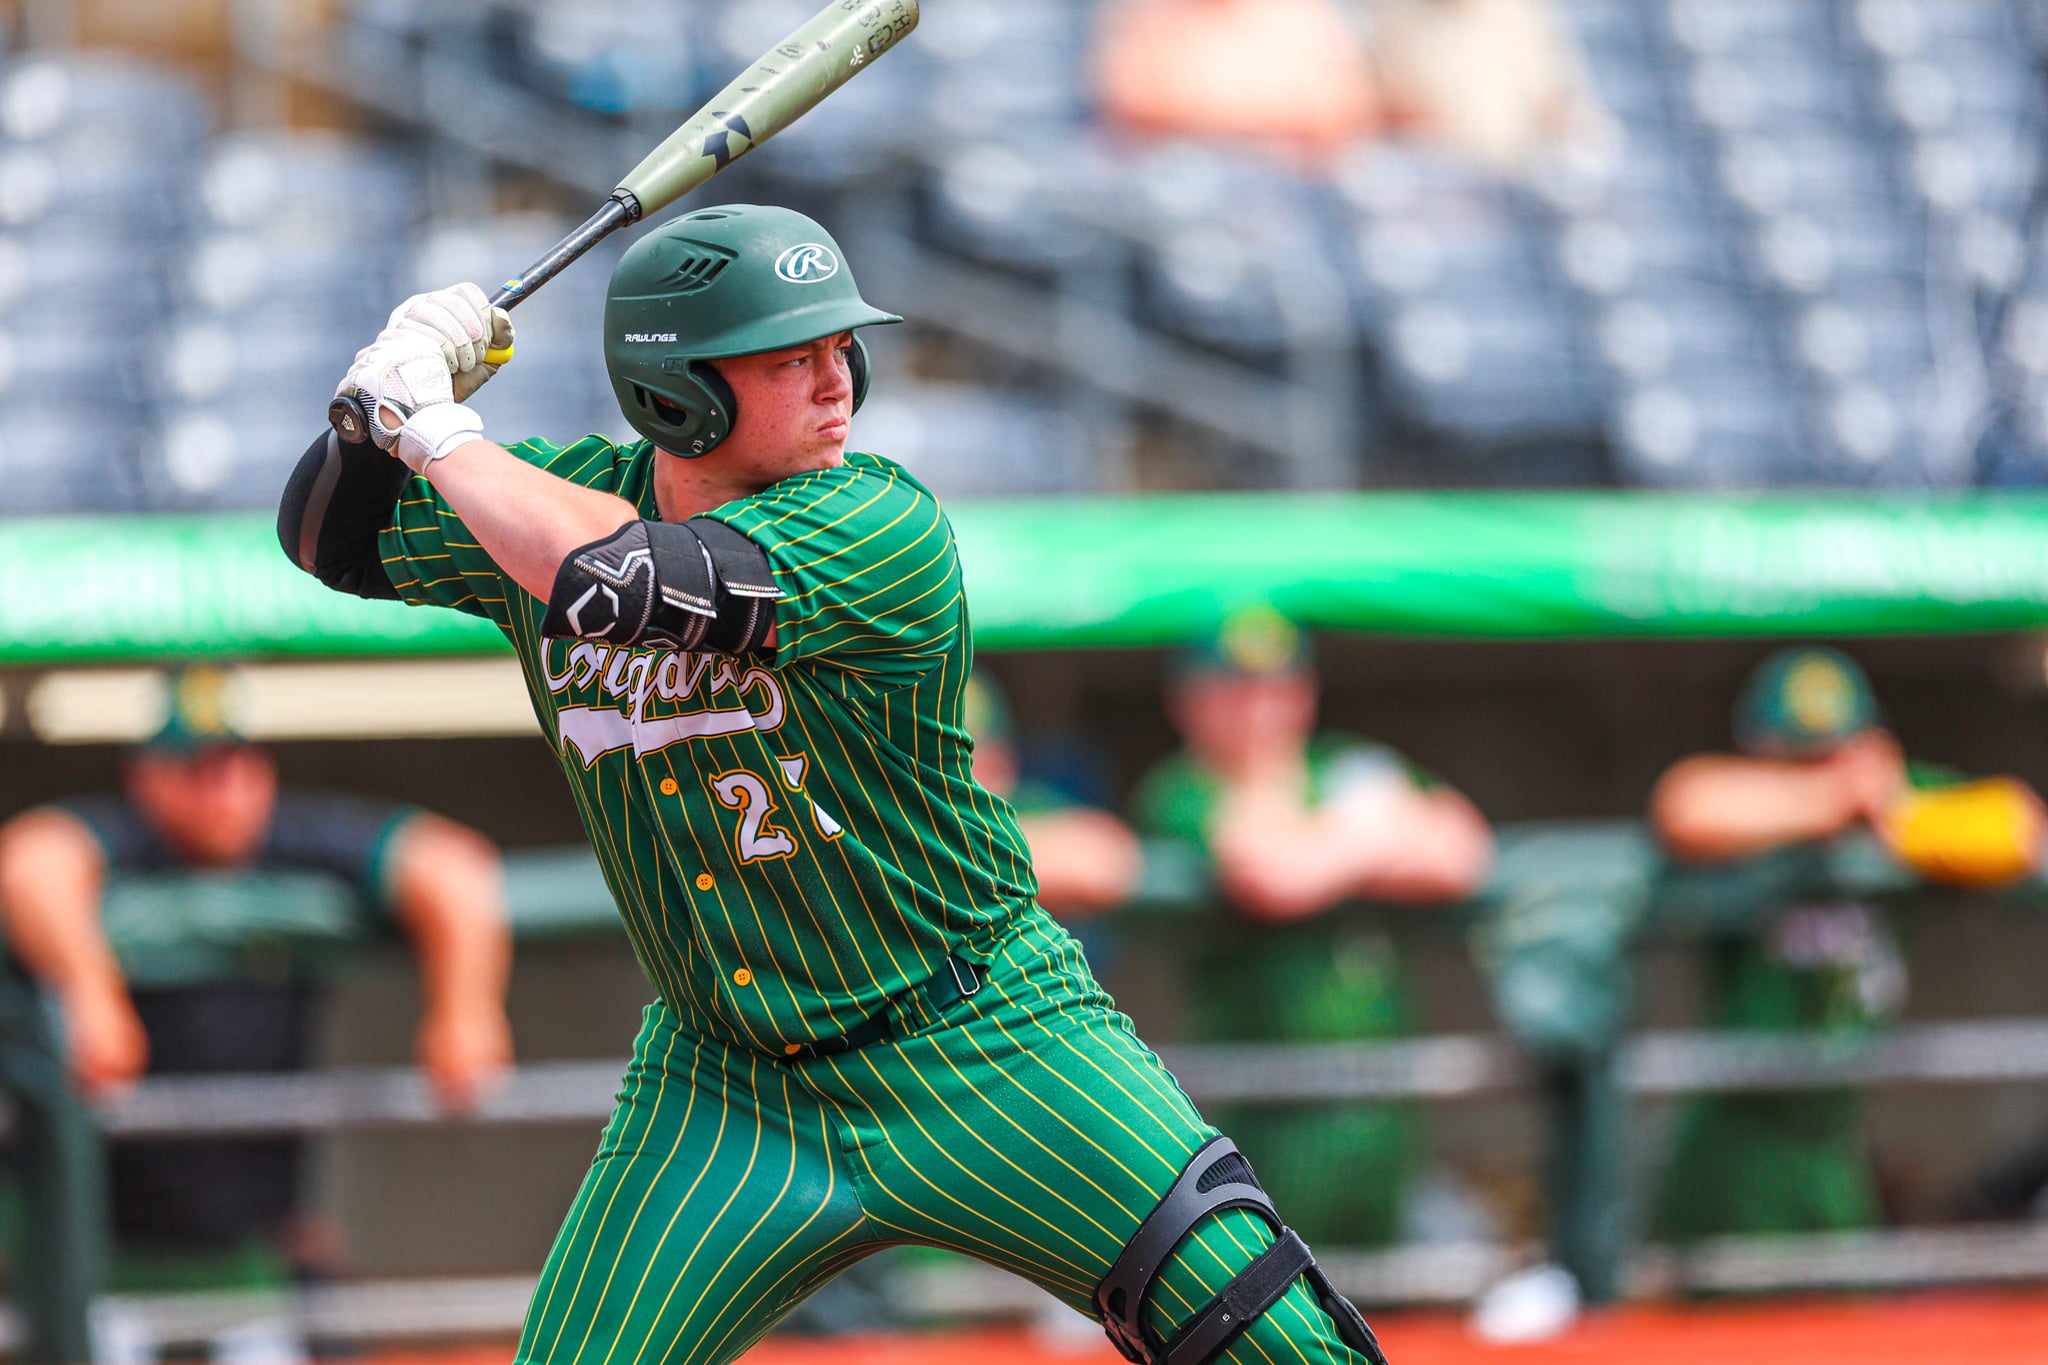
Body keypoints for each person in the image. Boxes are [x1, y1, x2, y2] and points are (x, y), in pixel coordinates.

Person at [275, 205, 1392, 1365]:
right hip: (724, 1081)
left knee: (1270, 1337)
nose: (833, 381)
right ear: (677, 394)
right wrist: (371, 416)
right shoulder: (548, 502)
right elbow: (324, 542)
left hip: (982, 1032)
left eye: (835, 348)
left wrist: (438, 432)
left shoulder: (878, 520)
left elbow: (618, 582)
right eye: (785, 359)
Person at [0, 665, 513, 1304]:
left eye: (236, 765)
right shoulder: (125, 838)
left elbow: (451, 866)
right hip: (112, 1252)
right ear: (145, 778)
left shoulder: (292, 837)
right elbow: (29, 862)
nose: (224, 791)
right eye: (195, 772)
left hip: (251, 1247)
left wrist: (465, 1011)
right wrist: (92, 997)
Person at [1649, 646, 2045, 1239]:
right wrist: (1832, 800)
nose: (1826, 769)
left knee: (1845, 1316)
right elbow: (1684, 805)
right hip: (1739, 1135)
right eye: (1802, 758)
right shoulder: (1752, 810)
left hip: (1834, 1140)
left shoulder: (1895, 802)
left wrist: (1896, 810)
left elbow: (2018, 828)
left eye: (1837, 752)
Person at [1130, 607, 1494, 1247]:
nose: (1261, 708)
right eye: (1235, 689)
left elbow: (1462, 848)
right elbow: (1269, 874)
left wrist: (1330, 848)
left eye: (1279, 685)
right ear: (1188, 701)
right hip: (1266, 1120)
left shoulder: (1344, 764)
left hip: (1385, 1112)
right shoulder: (1182, 789)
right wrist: (1374, 835)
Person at [1094, 0, 1379, 161]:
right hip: (1185, 174)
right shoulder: (1153, 14)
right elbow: (1135, 106)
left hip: (1286, 185)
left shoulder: (1298, 17)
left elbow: (1338, 117)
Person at [963, 670, 1142, 921]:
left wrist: (963, 861)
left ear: (1004, 762)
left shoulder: (1019, 808)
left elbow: (1104, 863)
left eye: (971, 758)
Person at [1370, 0, 1613, 174]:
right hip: (1445, 179)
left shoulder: (1520, 13)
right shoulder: (1394, 14)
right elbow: (1395, 109)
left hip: (1522, 175)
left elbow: (1563, 100)